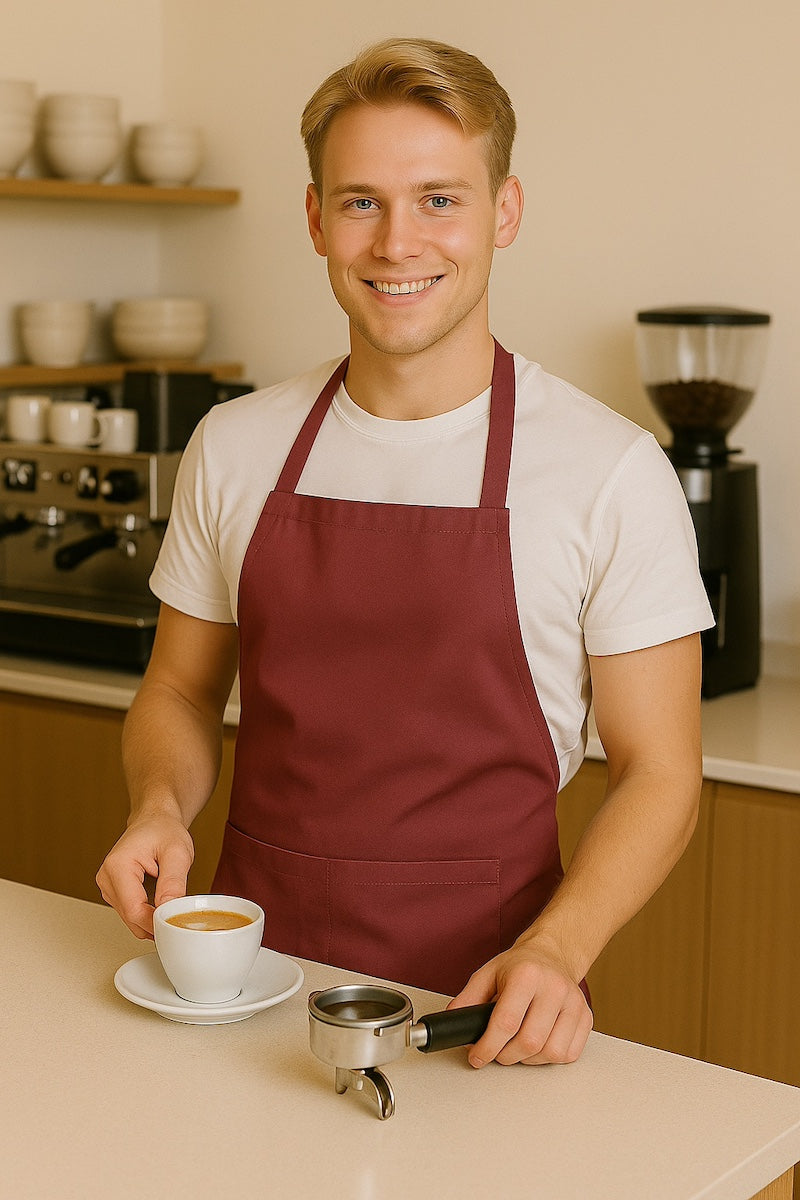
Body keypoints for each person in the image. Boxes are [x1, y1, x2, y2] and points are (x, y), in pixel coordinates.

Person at [97, 37, 714, 1070]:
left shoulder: (608, 471)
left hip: (485, 1006)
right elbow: (179, 690)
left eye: (438, 199)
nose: (396, 243)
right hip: (247, 989)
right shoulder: (235, 445)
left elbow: (660, 774)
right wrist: (158, 808)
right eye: (360, 202)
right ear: (314, 219)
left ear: (504, 212)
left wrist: (558, 950)